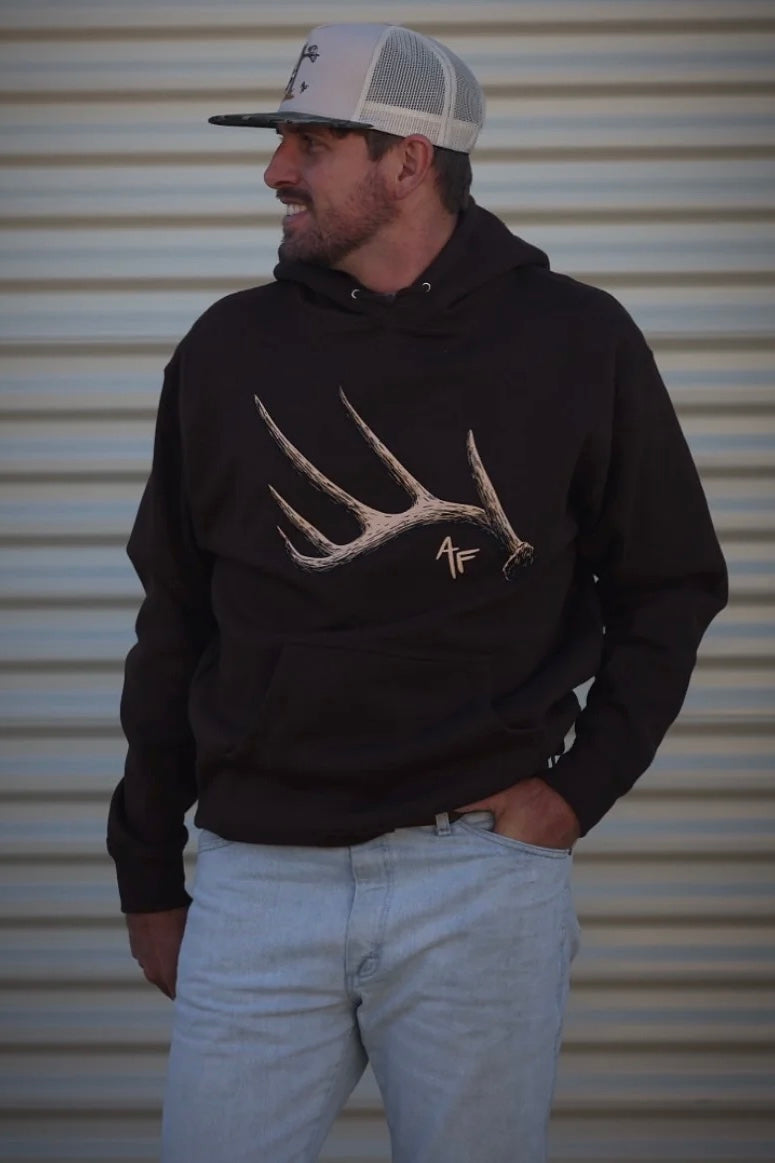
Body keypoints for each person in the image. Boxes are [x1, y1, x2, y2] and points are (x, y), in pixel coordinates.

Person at [107, 22, 728, 1163]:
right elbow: (174, 618)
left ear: (409, 159)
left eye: (312, 141)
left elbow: (670, 584)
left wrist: (574, 794)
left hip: (476, 878)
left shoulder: (574, 341)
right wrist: (147, 869)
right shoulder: (228, 351)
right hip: (259, 877)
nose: (275, 170)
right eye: (281, 140)